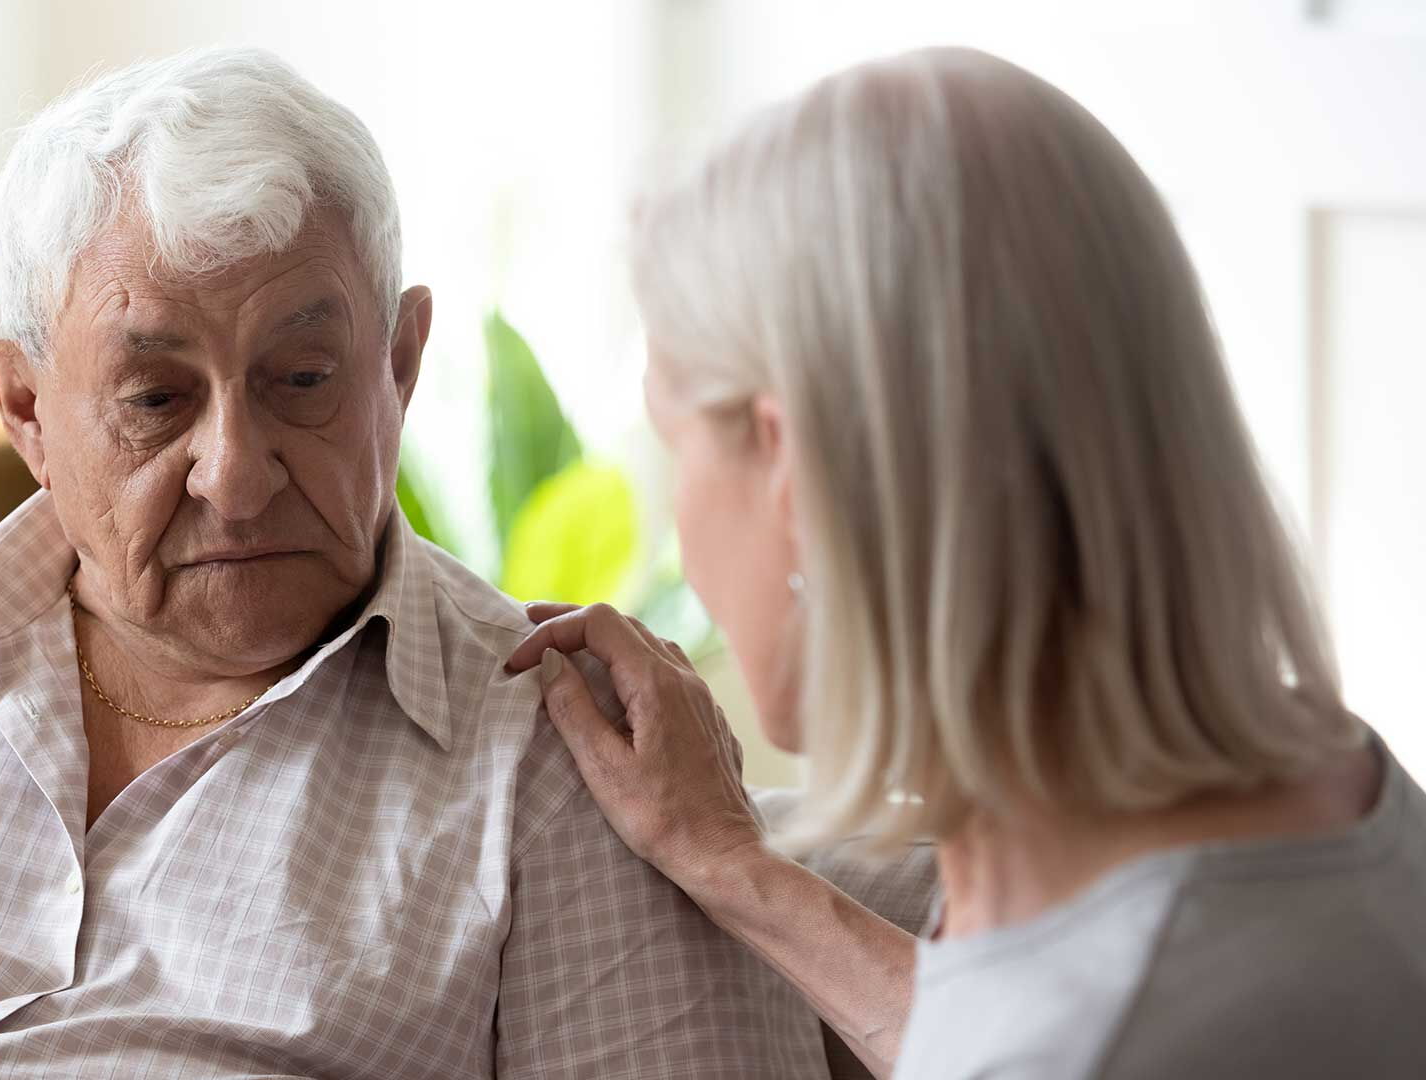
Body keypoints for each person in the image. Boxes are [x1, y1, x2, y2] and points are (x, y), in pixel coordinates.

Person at [0, 48, 801, 1079]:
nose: (235, 471)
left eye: (302, 379)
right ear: (22, 409)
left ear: (399, 369)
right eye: (153, 400)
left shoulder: (564, 758)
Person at [506, 46, 1426, 1080]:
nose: (675, 515)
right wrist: (733, 866)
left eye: (672, 442)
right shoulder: (1333, 782)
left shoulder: (1105, 1036)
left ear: (794, 472)